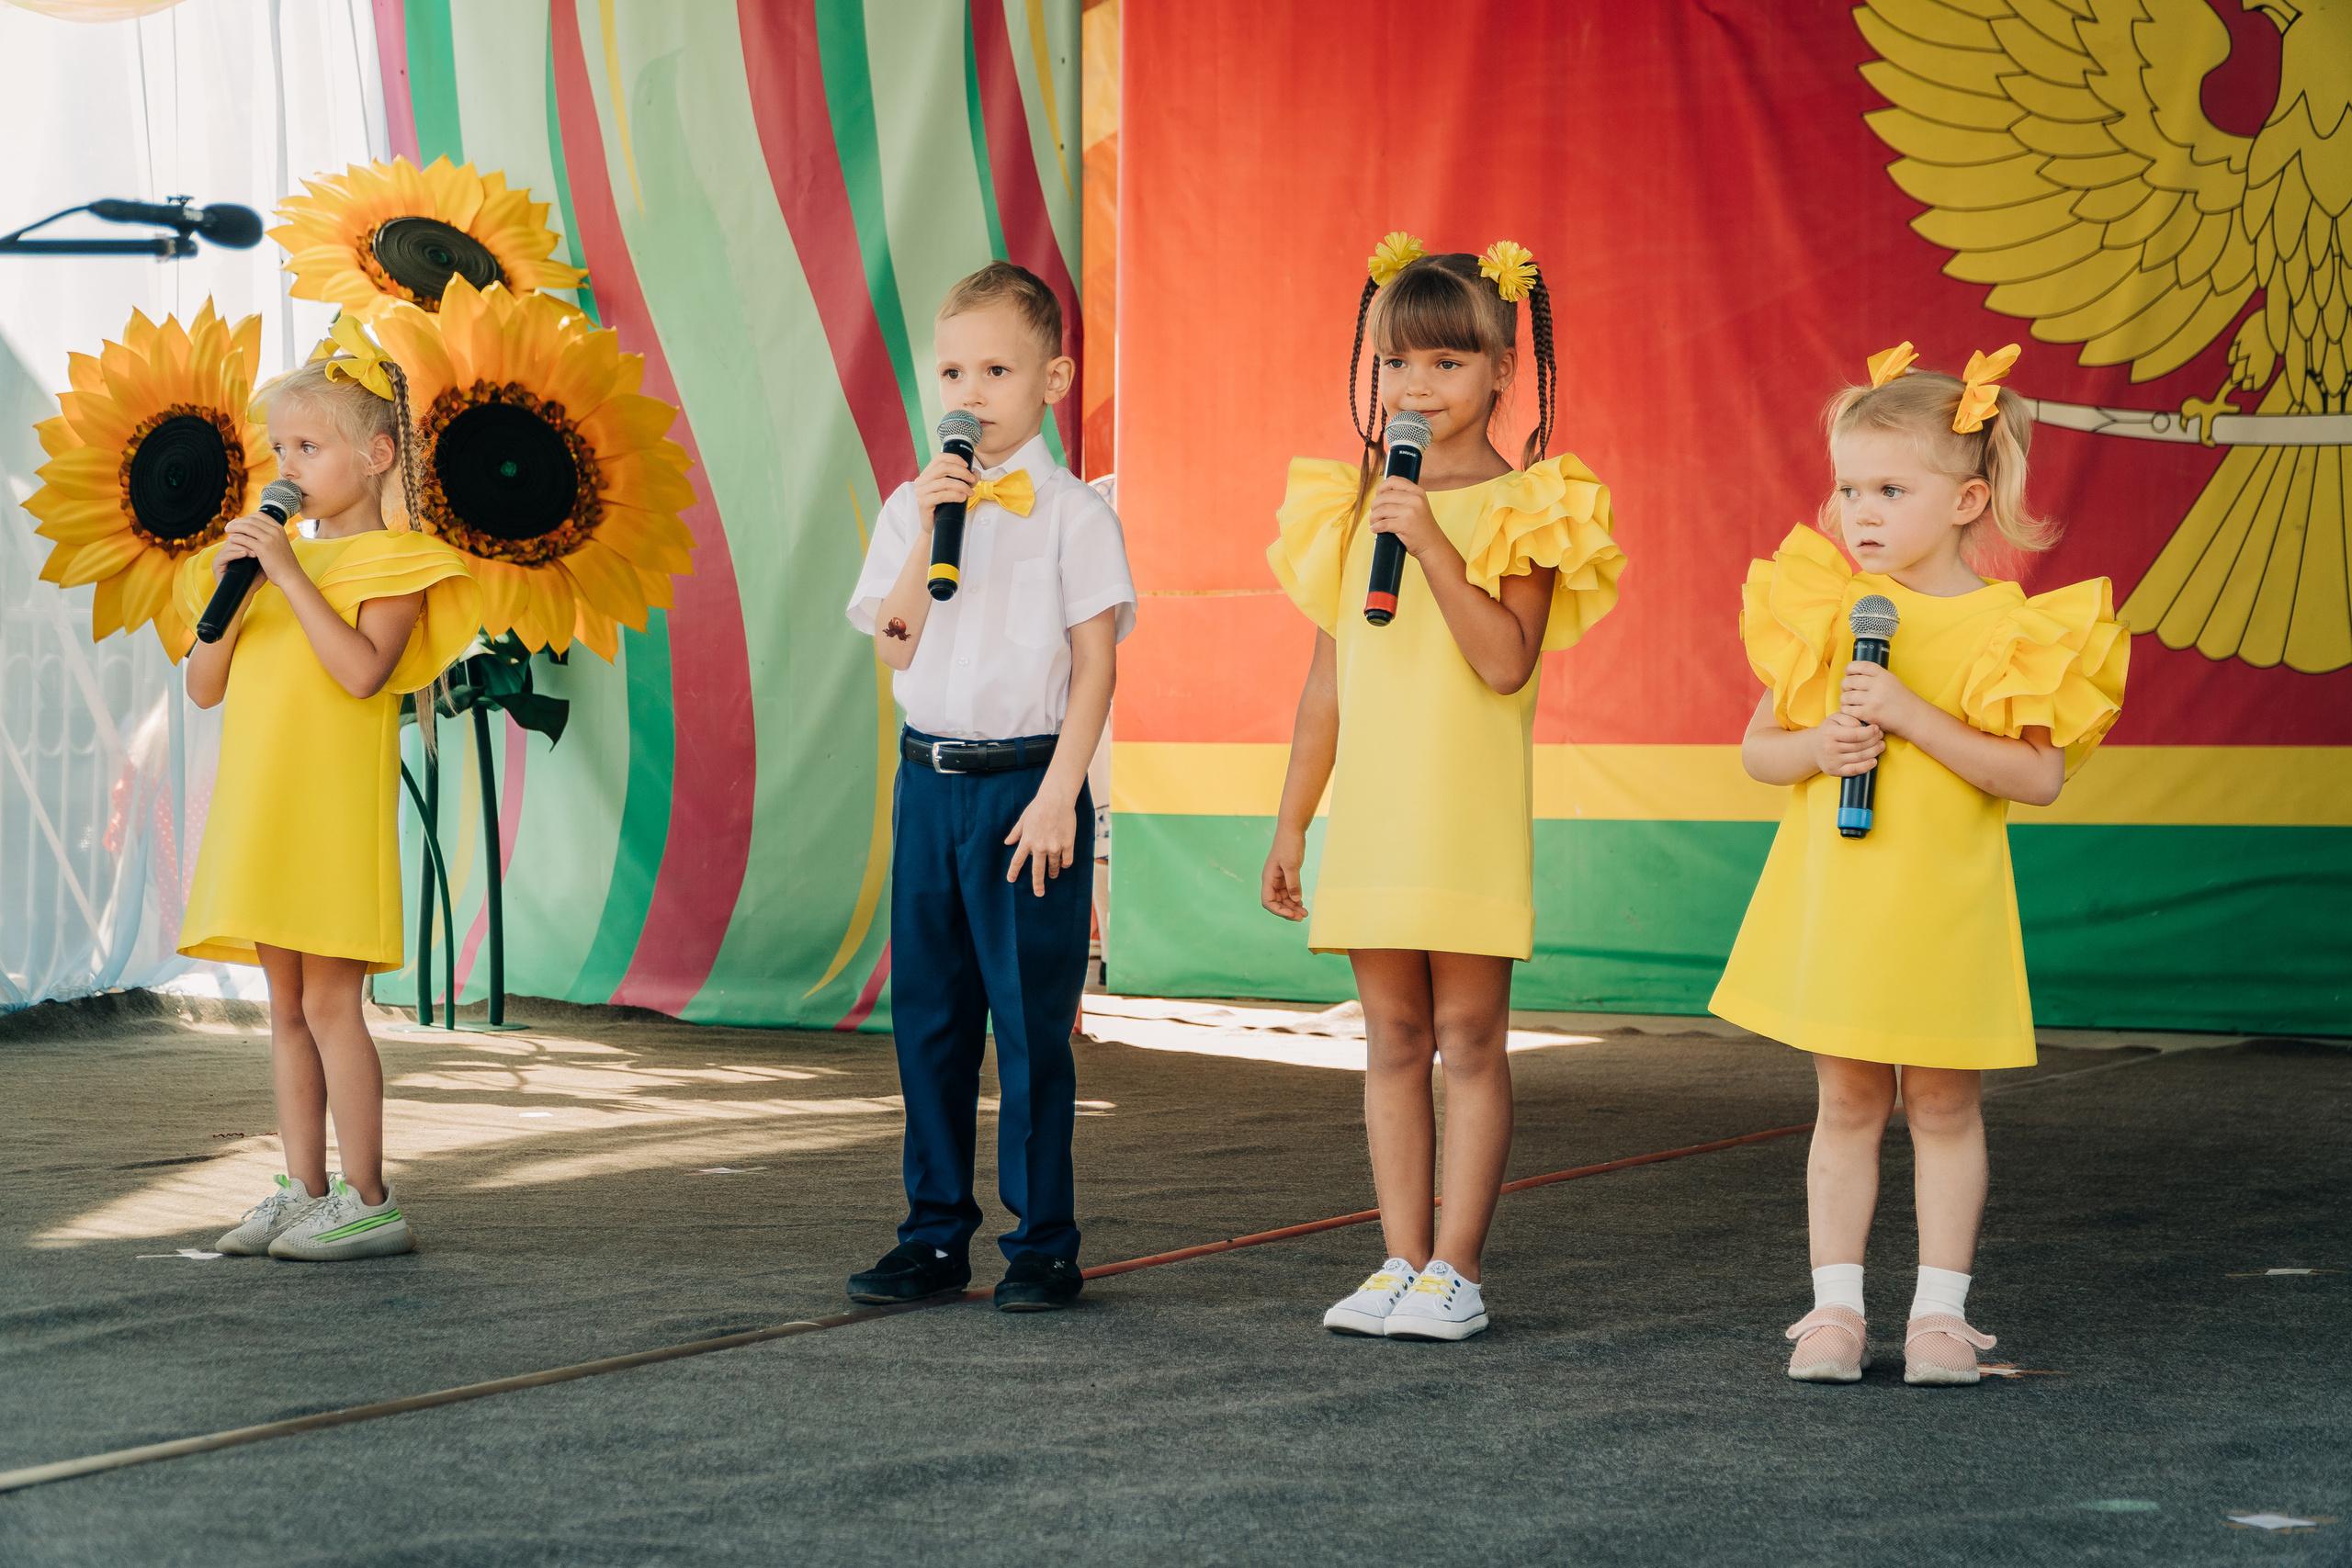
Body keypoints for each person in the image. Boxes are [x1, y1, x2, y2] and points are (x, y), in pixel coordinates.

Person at [1711, 343, 2127, 1384]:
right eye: (1850, 489)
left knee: (1942, 1105)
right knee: (1847, 1104)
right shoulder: (1827, 613)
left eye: (1891, 490)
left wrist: (1910, 714)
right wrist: (1820, 746)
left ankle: (1941, 1317)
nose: (1861, 512)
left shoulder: (2008, 629)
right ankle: (1835, 1313)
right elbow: (1760, 751)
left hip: (1942, 909)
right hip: (1843, 902)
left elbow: (2035, 777)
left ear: (1966, 500)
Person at [1261, 234, 1625, 1340]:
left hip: (1462, 810)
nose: (1416, 388)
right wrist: (1291, 824)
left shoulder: (1530, 504)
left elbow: (1505, 661)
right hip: (1375, 812)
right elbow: (1325, 685)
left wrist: (1431, 545)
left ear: (1504, 369)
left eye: (1447, 363)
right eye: (1398, 364)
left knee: (1467, 1037)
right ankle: (1399, 1259)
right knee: (1389, 1038)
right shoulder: (1350, 506)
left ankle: (1457, 1270)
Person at [842, 261, 1135, 1312]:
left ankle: (1042, 1242)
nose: (971, 392)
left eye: (997, 371)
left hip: (1027, 791)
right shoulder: (908, 507)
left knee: (1028, 1026)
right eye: (953, 372)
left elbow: (1094, 668)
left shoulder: (1073, 515)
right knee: (929, 1021)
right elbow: (893, 643)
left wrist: (1061, 794)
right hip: (929, 786)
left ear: (1052, 380)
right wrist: (930, 527)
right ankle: (932, 1237)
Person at [181, 323, 480, 1262]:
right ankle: (303, 1190)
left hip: (330, 815)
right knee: (283, 1009)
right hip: (261, 808)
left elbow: (359, 673)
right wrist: (237, 591)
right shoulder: (264, 566)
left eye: (309, 447)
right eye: (280, 448)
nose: (288, 467)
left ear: (376, 455)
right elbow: (202, 686)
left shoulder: (397, 563)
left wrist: (285, 572)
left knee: (331, 1006)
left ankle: (370, 1199)